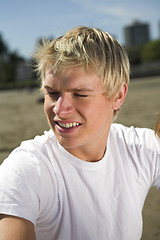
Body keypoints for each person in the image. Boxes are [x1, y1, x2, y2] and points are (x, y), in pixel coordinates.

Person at [0, 26, 159, 240]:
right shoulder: (27, 169)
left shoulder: (141, 149)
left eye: (80, 94)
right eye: (52, 93)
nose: (59, 110)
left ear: (118, 96)